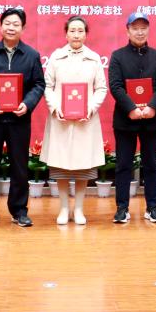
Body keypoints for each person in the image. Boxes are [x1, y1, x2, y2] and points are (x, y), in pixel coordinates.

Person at [0, 7, 46, 228]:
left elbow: (38, 84)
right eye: (7, 23)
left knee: (20, 167)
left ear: (23, 28)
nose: (11, 28)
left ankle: (19, 211)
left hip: (19, 119)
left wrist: (27, 104)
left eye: (16, 24)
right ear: (0, 26)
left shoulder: (31, 55)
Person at [41, 15, 108, 225]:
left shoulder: (94, 59)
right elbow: (47, 86)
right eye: (72, 30)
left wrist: (91, 108)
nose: (76, 35)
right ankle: (63, 208)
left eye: (80, 31)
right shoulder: (56, 57)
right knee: (61, 167)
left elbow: (101, 88)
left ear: (86, 34)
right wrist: (55, 107)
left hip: (85, 121)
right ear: (66, 34)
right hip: (61, 120)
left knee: (82, 167)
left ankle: (78, 209)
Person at [107, 11, 156, 224]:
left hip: (152, 119)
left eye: (143, 28)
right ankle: (122, 208)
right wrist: (131, 108)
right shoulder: (118, 56)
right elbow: (116, 86)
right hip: (126, 120)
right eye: (135, 28)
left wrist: (152, 107)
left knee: (151, 165)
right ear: (128, 31)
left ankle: (153, 208)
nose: (140, 32)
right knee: (123, 165)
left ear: (148, 30)